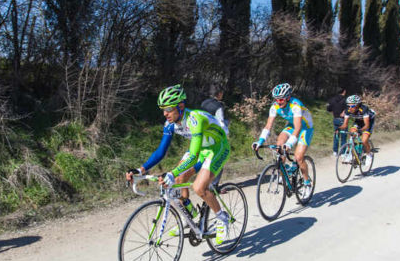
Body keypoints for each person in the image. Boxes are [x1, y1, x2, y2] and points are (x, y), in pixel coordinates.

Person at [125, 85, 231, 245]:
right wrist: (140, 170)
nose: (165, 113)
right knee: (178, 179)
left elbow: (194, 156)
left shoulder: (195, 119)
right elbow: (161, 151)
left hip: (217, 148)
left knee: (199, 187)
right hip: (202, 149)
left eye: (168, 109)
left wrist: (171, 174)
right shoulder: (170, 124)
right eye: (163, 109)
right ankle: (188, 214)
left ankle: (222, 219)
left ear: (180, 106)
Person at [252, 83, 314, 191]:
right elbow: (268, 126)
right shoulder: (274, 106)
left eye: (281, 100)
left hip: (305, 128)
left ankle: (307, 182)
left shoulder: (295, 105)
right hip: (292, 125)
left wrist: (289, 144)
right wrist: (260, 141)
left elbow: (298, 128)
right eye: (276, 99)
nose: (278, 102)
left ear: (288, 97)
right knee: (279, 143)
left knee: (299, 157)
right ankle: (283, 173)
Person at [337, 94, 376, 164]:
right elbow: (345, 124)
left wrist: (360, 131)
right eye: (348, 105)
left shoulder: (364, 109)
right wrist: (338, 129)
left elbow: (366, 125)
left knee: (364, 140)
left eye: (352, 106)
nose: (350, 108)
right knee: (351, 135)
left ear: (357, 105)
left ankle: (369, 154)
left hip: (368, 122)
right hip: (358, 121)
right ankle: (350, 155)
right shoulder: (347, 110)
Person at [326, 87, 347, 157]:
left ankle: (335, 151)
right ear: (344, 91)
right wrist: (343, 112)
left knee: (336, 135)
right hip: (343, 120)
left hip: (335, 119)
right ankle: (343, 152)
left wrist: (334, 112)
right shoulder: (345, 100)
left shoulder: (332, 99)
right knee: (343, 136)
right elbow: (348, 109)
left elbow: (328, 109)